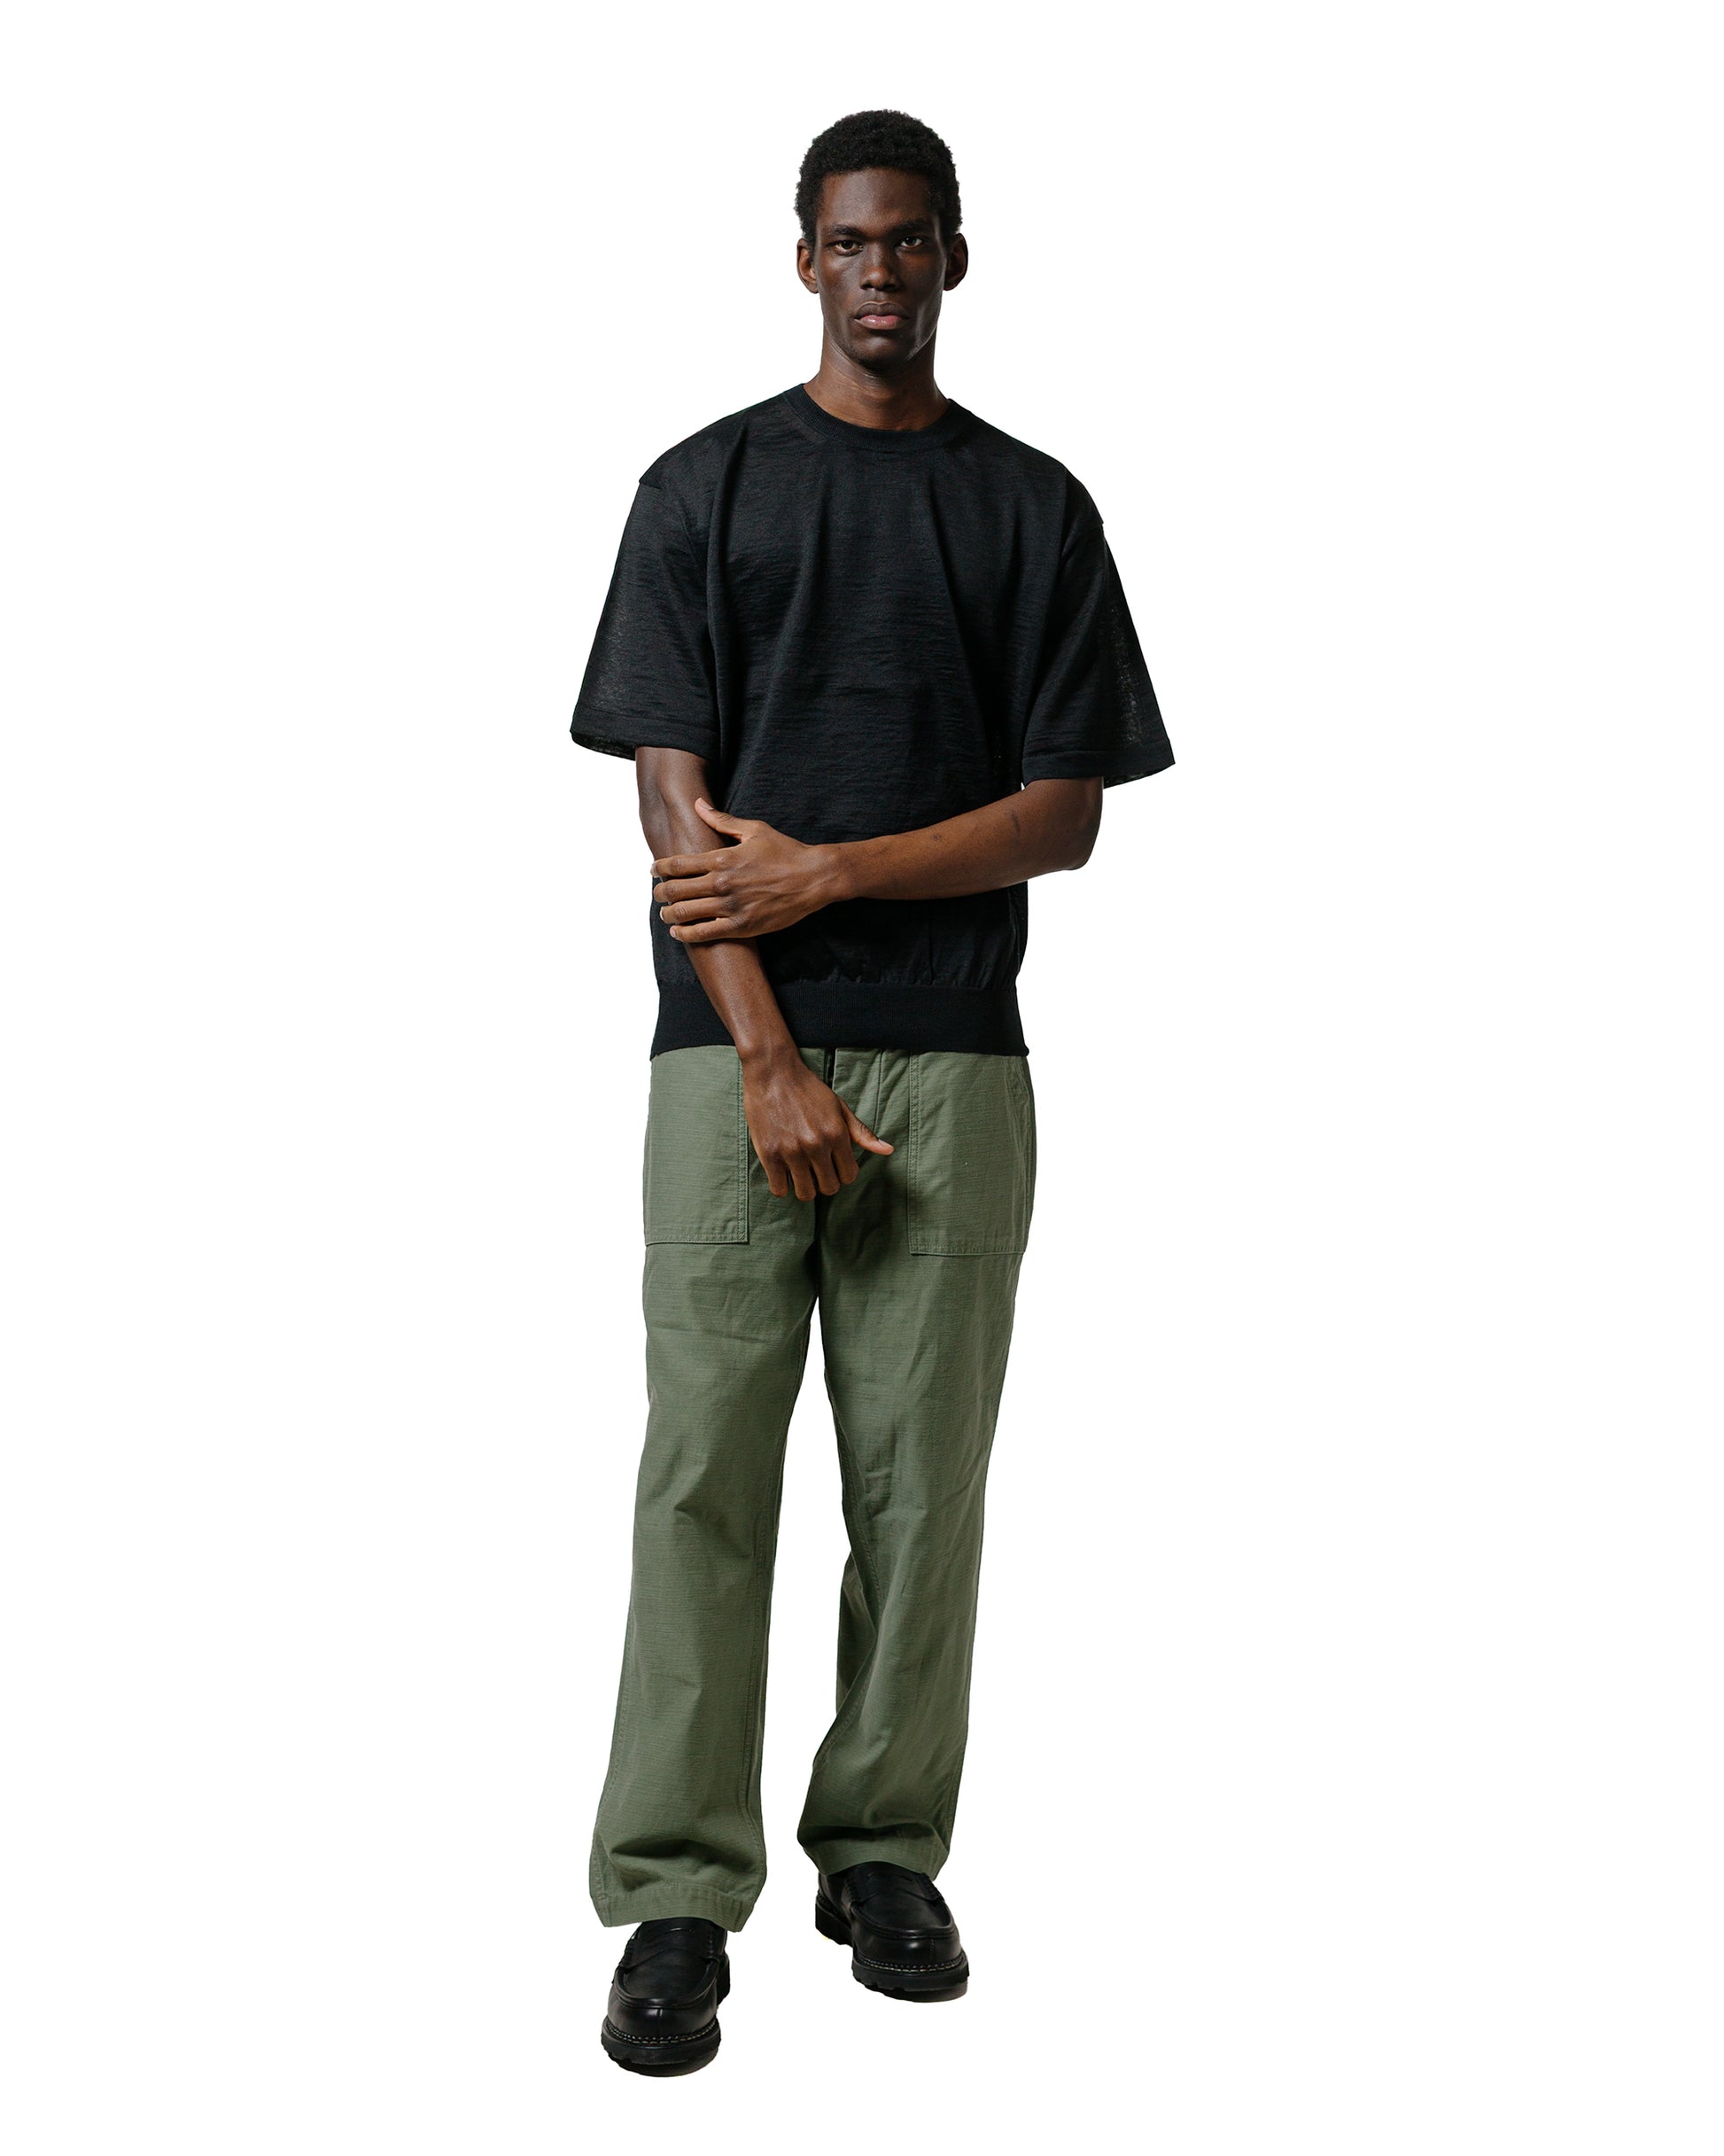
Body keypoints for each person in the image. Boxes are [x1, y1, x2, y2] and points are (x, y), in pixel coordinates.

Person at [569, 107, 1174, 2074]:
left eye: (910, 240)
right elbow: (675, 820)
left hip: (955, 1051)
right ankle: (675, 1891)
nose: (880, 272)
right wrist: (765, 1053)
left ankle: (885, 1850)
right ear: (803, 259)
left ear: (955, 258)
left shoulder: (1031, 510)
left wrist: (828, 870)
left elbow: (1064, 813)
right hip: (726, 1057)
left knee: (925, 1486)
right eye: (849, 241)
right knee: (703, 1476)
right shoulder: (705, 488)